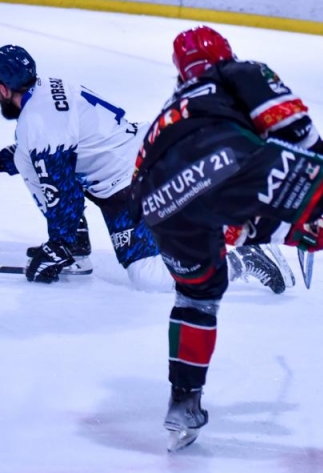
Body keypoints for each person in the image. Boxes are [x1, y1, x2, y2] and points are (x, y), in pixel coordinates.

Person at [130, 25, 323, 450]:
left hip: (158, 206)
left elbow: (229, 218)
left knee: (196, 298)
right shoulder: (235, 72)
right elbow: (293, 128)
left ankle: (183, 402)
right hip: (226, 159)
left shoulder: (167, 113)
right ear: (224, 53)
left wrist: (296, 230)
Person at [0, 44, 286, 292]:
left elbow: (64, 194)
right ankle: (75, 245)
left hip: (133, 183)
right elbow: (43, 154)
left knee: (149, 277)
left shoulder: (38, 123)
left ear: (3, 89)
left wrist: (57, 246)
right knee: (25, 157)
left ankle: (242, 258)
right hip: (144, 151)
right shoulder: (46, 89)